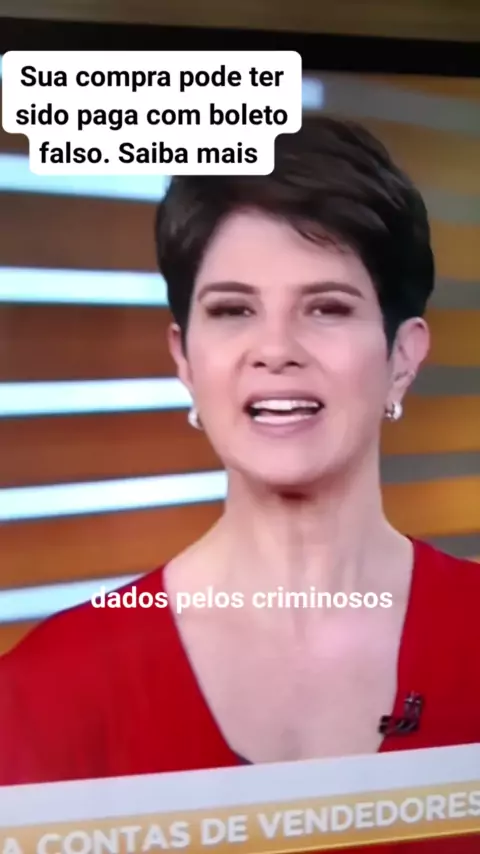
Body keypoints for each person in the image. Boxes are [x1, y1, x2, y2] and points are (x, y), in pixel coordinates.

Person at [0, 116, 479, 853]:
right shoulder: (46, 690)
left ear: (402, 358)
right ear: (185, 359)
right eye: (233, 310)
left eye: (327, 307)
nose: (275, 350)